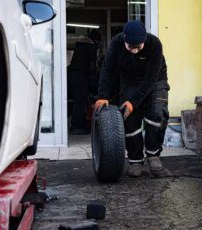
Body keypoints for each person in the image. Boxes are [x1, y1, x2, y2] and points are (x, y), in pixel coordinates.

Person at [95, 20, 169, 177]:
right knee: (129, 118)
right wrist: (103, 96)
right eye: (131, 47)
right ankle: (135, 161)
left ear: (144, 41)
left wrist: (133, 102)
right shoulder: (116, 44)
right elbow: (108, 71)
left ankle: (153, 155)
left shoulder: (154, 44)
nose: (134, 51)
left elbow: (150, 78)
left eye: (138, 47)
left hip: (155, 81)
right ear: (124, 40)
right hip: (129, 80)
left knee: (156, 114)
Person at [68, 29, 101, 135]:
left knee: (78, 102)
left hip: (73, 75)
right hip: (80, 77)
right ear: (96, 40)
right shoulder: (91, 47)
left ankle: (76, 124)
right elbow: (92, 66)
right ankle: (77, 126)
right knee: (80, 102)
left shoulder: (80, 46)